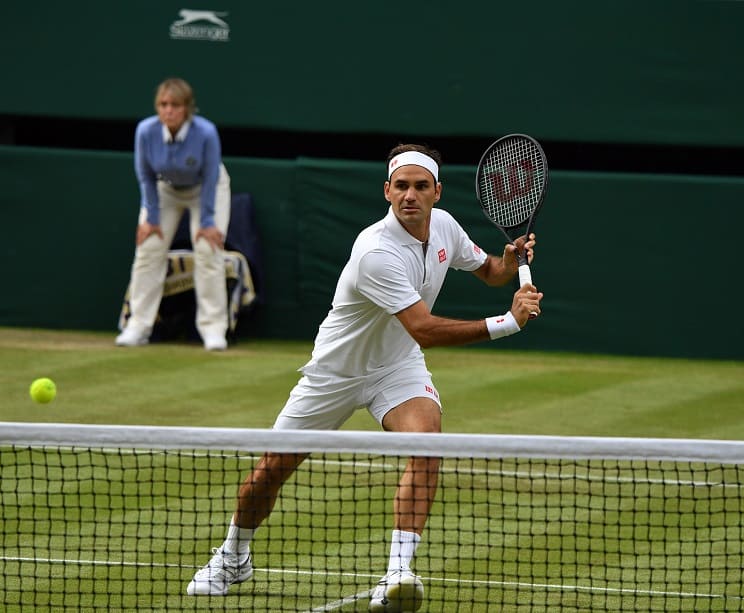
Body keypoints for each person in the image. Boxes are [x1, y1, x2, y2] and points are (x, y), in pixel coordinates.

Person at [185, 144, 543, 611]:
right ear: (387, 191)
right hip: (336, 373)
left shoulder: (446, 228)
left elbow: (492, 272)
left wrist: (510, 260)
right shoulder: (376, 250)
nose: (409, 195)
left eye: (419, 186)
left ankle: (397, 574)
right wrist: (508, 322)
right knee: (269, 474)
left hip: (397, 367)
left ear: (436, 191)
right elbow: (425, 329)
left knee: (427, 444)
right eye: (401, 186)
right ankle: (233, 555)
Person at [116, 77, 232, 350]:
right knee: (148, 247)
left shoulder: (206, 132)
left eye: (175, 105)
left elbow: (211, 173)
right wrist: (151, 218)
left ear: (187, 108)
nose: (168, 110)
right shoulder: (145, 131)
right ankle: (138, 326)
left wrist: (206, 222)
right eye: (163, 104)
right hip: (164, 190)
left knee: (208, 249)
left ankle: (214, 330)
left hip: (207, 187)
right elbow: (145, 175)